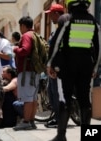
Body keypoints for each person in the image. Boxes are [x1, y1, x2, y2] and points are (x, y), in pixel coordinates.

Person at [46, 0, 101, 140]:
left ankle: (61, 135)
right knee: (85, 101)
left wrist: (50, 63)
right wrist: (95, 67)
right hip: (86, 66)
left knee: (65, 99)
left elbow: (57, 42)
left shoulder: (66, 19)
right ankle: (88, 136)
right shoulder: (93, 21)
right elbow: (99, 46)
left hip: (68, 65)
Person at [13, 16, 40, 130]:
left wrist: (15, 49)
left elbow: (25, 50)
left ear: (23, 26)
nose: (20, 29)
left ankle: (26, 121)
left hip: (26, 73)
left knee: (28, 98)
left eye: (20, 26)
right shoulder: (35, 35)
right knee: (33, 98)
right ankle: (32, 121)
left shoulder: (26, 36)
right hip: (34, 71)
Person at [44, 3, 65, 128]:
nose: (50, 17)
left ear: (57, 14)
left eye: (51, 14)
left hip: (58, 69)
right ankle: (57, 118)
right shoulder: (57, 30)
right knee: (52, 95)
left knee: (57, 95)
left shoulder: (64, 30)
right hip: (52, 69)